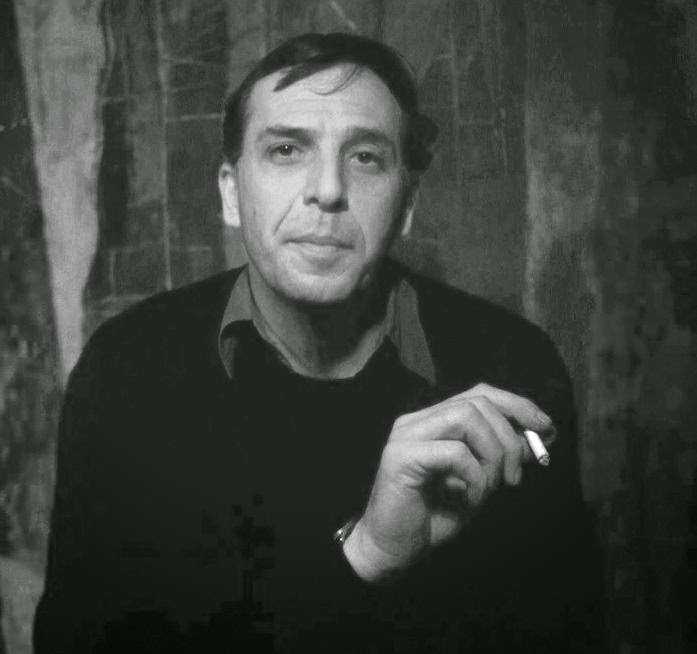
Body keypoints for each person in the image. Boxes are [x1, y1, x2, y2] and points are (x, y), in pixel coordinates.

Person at [34, 32, 603, 653]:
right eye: (286, 149)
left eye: (366, 157)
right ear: (231, 193)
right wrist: (366, 556)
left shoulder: (511, 368)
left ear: (407, 204)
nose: (328, 189)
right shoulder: (125, 373)